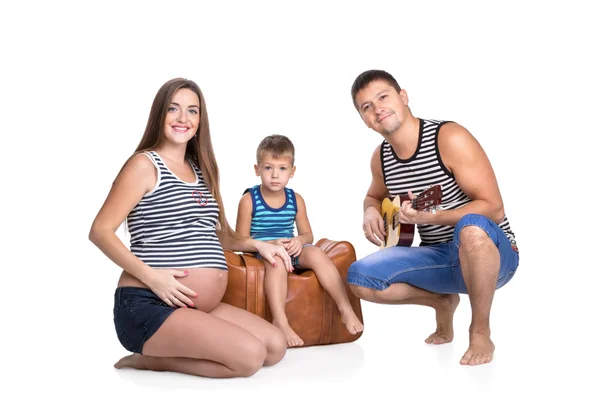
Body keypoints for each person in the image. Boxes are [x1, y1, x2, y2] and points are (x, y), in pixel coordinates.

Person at [89, 78, 292, 378]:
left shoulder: (200, 168)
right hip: (149, 304)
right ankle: (148, 360)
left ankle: (169, 350)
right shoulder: (144, 165)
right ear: (160, 114)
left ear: (200, 119)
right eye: (174, 109)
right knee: (250, 358)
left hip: (194, 307)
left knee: (275, 347)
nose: (183, 119)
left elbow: (217, 234)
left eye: (192, 111)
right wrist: (154, 279)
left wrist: (258, 245)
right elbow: (100, 231)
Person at [347, 70, 519, 366]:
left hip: (493, 254)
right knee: (359, 278)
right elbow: (373, 196)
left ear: (403, 97)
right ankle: (441, 301)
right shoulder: (381, 158)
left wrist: (434, 215)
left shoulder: (449, 137)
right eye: (367, 107)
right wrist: (370, 210)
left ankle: (480, 331)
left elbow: (494, 208)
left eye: (383, 97)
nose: (377, 109)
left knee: (472, 229)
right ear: (364, 120)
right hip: (439, 257)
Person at [235, 134, 364, 347]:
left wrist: (298, 240)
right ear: (257, 170)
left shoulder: (296, 199)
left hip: (291, 249)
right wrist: (268, 246)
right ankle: (281, 321)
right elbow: (240, 240)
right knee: (276, 260)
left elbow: (308, 235)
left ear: (292, 171)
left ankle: (345, 308)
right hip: (264, 253)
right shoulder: (249, 200)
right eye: (268, 168)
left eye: (282, 169)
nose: (275, 175)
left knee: (314, 252)